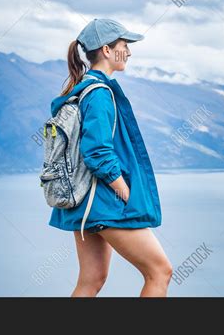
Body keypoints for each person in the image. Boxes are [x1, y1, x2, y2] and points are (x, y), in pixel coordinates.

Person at [49, 19, 172, 297]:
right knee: (160, 272)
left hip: (84, 203)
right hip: (105, 203)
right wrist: (126, 195)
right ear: (106, 50)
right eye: (124, 45)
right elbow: (97, 152)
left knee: (91, 280)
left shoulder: (81, 90)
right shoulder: (101, 94)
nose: (128, 52)